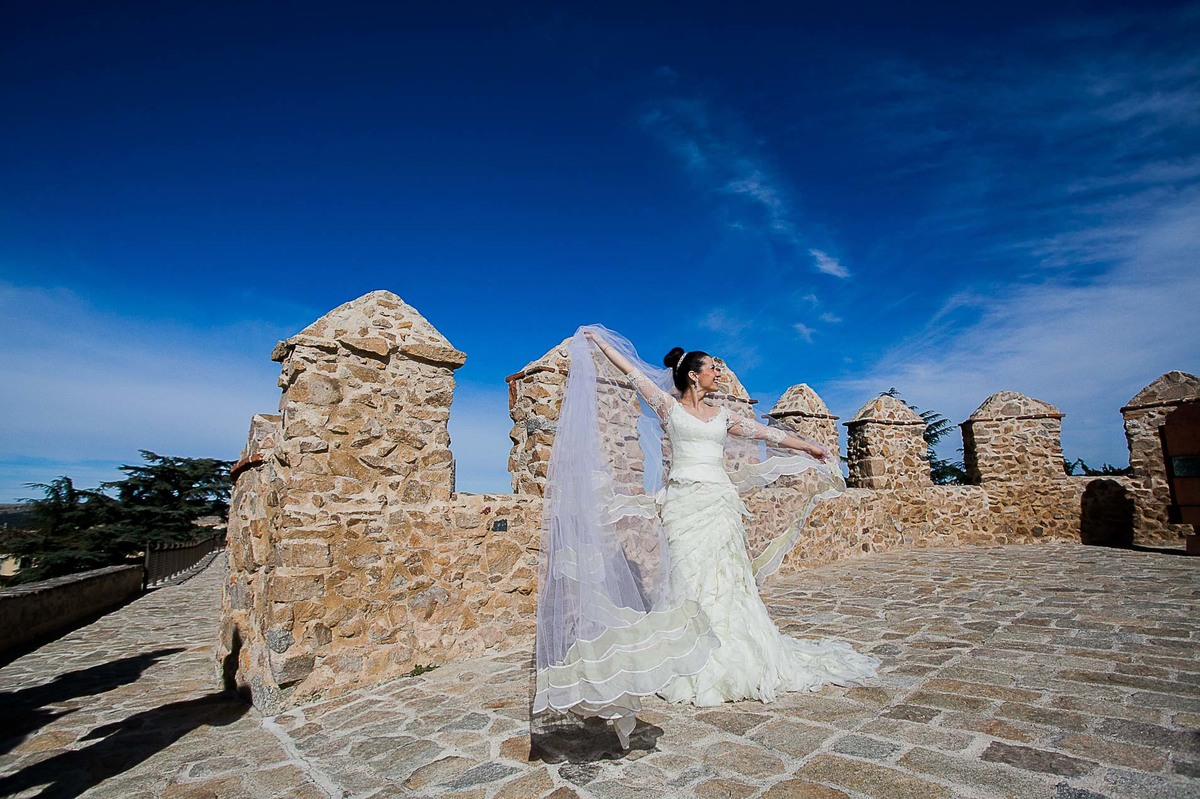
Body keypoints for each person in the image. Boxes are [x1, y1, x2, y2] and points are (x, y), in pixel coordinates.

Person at [532, 326, 878, 747]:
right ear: (693, 375)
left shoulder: (724, 417)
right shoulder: (666, 406)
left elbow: (767, 433)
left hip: (719, 505)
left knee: (728, 577)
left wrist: (809, 447)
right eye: (712, 368)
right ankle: (688, 657)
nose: (719, 373)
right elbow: (631, 370)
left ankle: (736, 655)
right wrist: (598, 341)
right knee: (688, 576)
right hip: (682, 506)